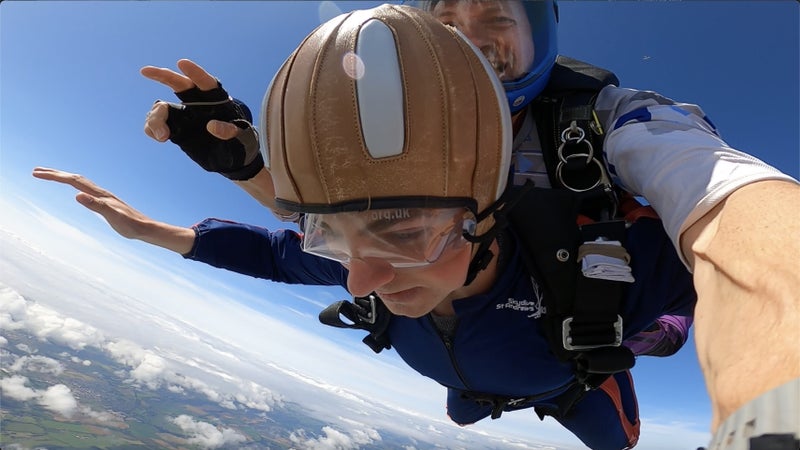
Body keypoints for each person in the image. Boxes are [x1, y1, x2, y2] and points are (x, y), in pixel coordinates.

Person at [36, 3, 800, 450]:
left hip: (571, 372)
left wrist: (772, 413)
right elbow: (294, 244)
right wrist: (226, 178)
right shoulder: (373, 236)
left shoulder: (604, 126)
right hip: (464, 367)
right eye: (445, 20)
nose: (467, 38)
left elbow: (731, 207)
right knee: (462, 400)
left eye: (495, 17)